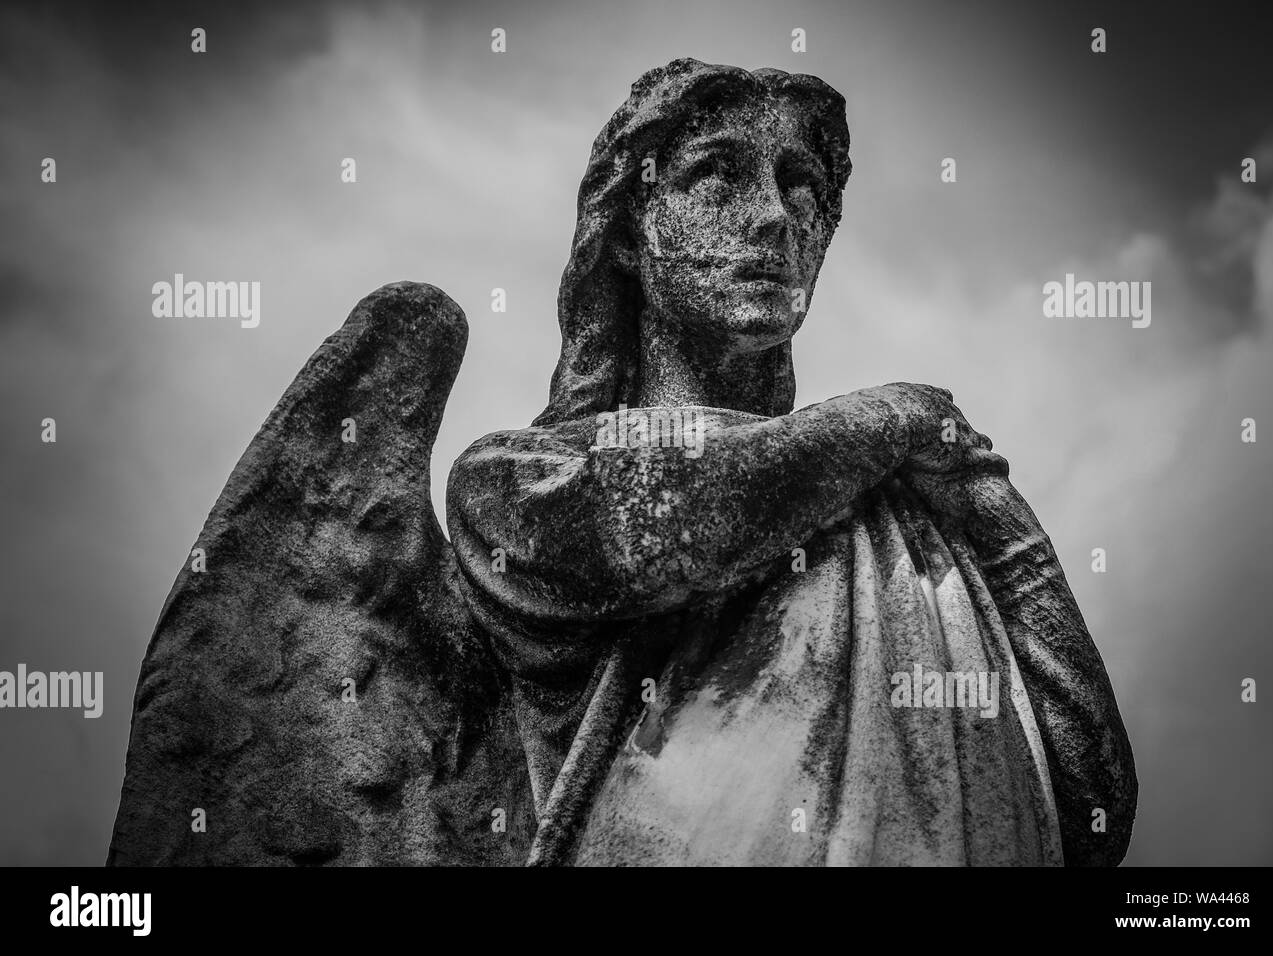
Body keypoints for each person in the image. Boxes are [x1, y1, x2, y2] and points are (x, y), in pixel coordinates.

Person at [448, 58, 1138, 866]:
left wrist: (998, 520)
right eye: (718, 175)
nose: (775, 218)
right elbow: (682, 518)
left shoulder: (904, 508)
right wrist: (900, 419)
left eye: (801, 186)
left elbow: (1092, 804)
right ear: (632, 232)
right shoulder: (514, 482)